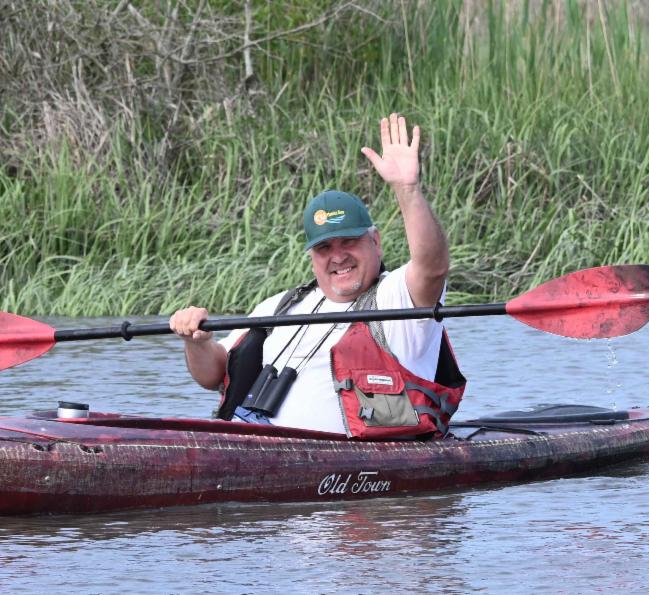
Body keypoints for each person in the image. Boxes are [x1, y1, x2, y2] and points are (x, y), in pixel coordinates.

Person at [168, 113, 465, 437]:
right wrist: (197, 342)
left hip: (344, 463)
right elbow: (214, 373)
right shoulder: (280, 306)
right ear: (312, 256)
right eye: (324, 247)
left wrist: (407, 190)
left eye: (349, 241)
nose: (338, 256)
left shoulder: (396, 298)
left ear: (375, 242)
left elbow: (432, 267)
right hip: (251, 447)